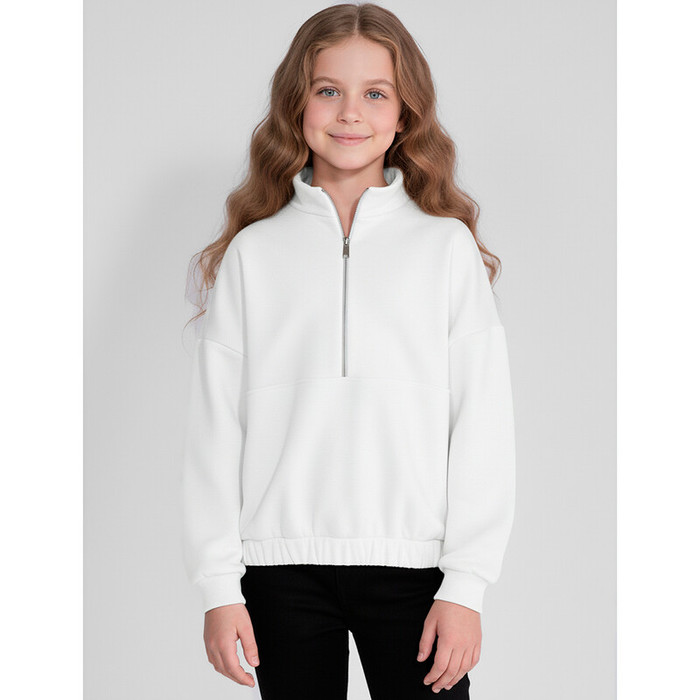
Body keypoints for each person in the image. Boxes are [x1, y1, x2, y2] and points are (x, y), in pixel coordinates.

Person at [180, 3, 516, 698]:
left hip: (417, 573)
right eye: (328, 90)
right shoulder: (254, 255)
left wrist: (466, 585)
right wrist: (218, 586)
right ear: (296, 105)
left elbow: (482, 421)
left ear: (405, 114)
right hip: (280, 573)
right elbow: (215, 429)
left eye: (376, 93)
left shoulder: (444, 248)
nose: (350, 113)